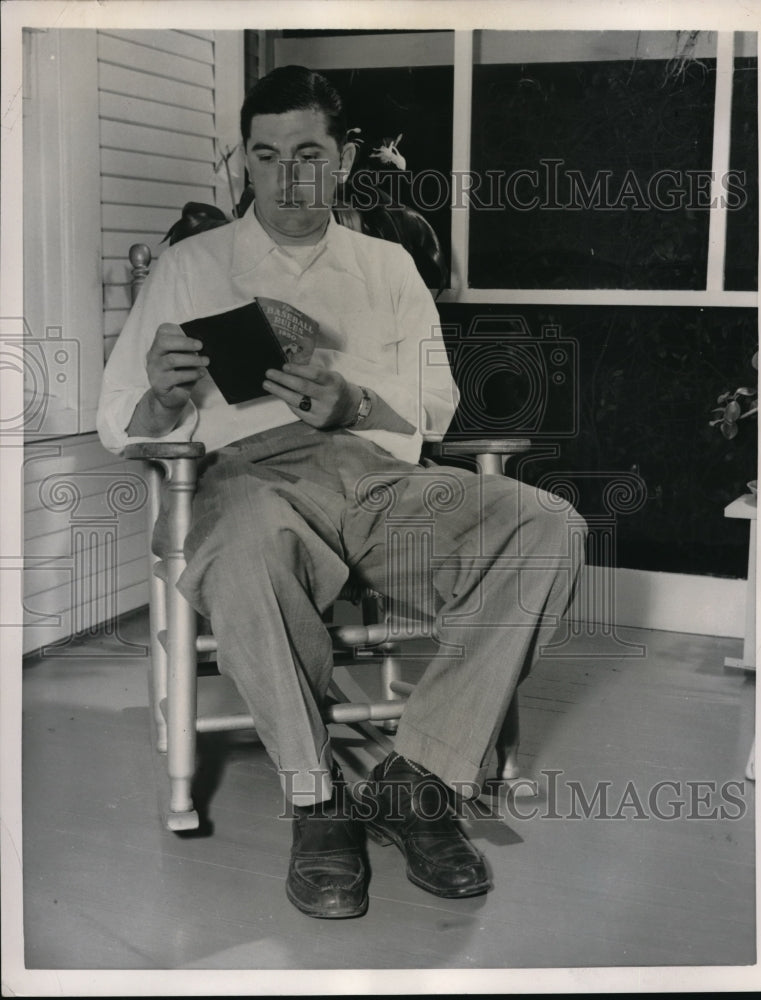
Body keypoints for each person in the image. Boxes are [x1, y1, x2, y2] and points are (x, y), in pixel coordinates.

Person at [98, 65, 586, 920]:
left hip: (377, 481)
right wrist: (165, 395)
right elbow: (116, 422)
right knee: (248, 536)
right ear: (241, 163)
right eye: (265, 155)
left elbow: (437, 406)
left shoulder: (388, 264)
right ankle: (316, 795)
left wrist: (354, 399)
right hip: (245, 482)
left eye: (309, 154)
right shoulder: (187, 267)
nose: (288, 178)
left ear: (345, 157)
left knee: (544, 523)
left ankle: (419, 778)